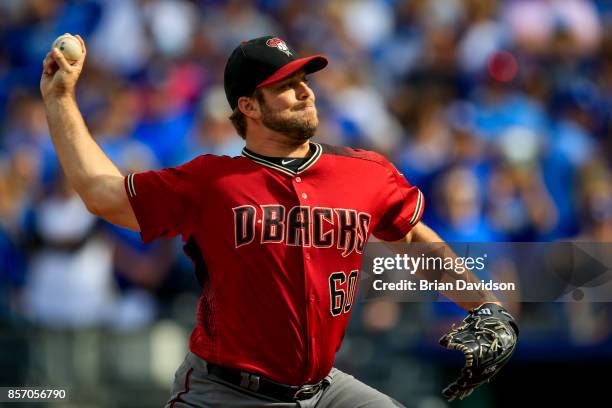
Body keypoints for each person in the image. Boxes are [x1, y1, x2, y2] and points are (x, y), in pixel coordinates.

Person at [41, 35, 517, 407]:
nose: (305, 90)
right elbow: (102, 194)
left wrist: (483, 305)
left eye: (303, 79)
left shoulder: (364, 172)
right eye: (285, 85)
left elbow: (413, 237)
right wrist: (60, 99)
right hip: (226, 393)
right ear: (248, 106)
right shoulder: (213, 181)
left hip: (325, 389)